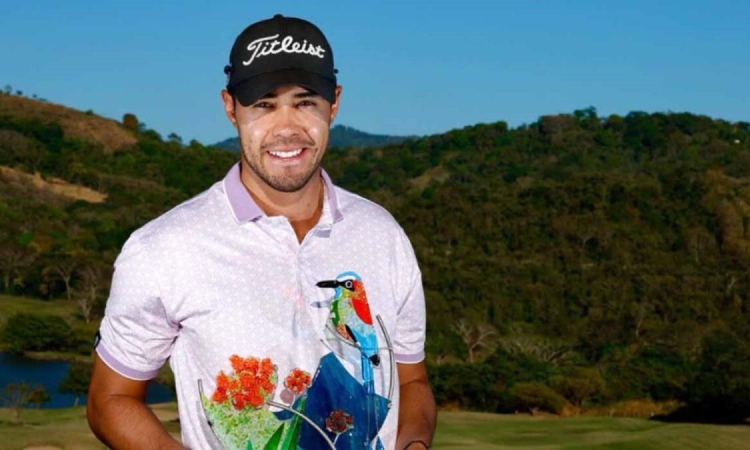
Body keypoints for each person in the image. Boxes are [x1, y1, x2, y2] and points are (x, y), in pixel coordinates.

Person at [87, 14, 436, 450]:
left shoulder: (384, 235)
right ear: (231, 108)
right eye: (264, 105)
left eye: (305, 102)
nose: (286, 127)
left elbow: (413, 380)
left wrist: (415, 443)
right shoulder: (163, 249)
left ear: (335, 103)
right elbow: (110, 399)